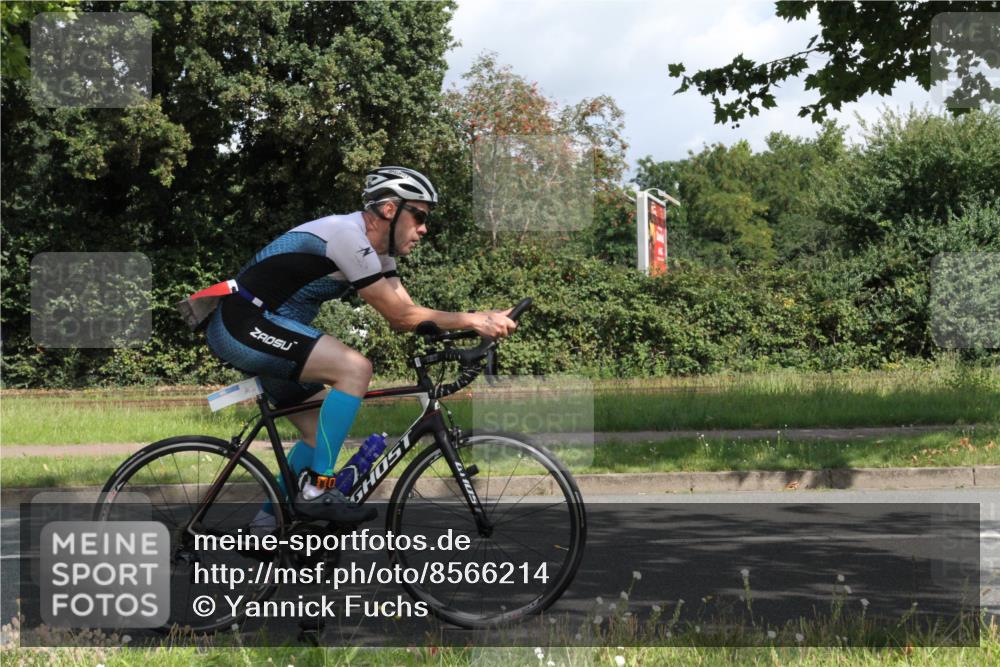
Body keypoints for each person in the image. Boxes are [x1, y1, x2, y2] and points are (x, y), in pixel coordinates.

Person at [204, 166, 516, 527]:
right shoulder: (347, 235)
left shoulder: (380, 255)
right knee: (355, 368)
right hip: (241, 323)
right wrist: (476, 319)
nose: (423, 228)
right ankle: (318, 490)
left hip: (265, 327)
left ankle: (264, 528)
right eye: (419, 216)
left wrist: (470, 335)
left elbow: (412, 317)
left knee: (315, 433)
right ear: (389, 210)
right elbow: (400, 316)